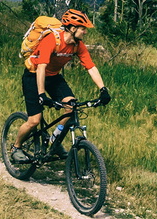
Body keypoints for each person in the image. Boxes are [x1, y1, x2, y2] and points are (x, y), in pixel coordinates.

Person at [18, 8, 110, 152]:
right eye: (83, 29)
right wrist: (42, 95)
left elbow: (91, 67)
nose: (85, 32)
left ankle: (54, 140)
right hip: (34, 76)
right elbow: (41, 67)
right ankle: (16, 147)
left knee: (71, 106)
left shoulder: (78, 46)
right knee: (34, 120)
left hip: (53, 77)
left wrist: (103, 89)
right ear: (73, 28)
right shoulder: (52, 40)